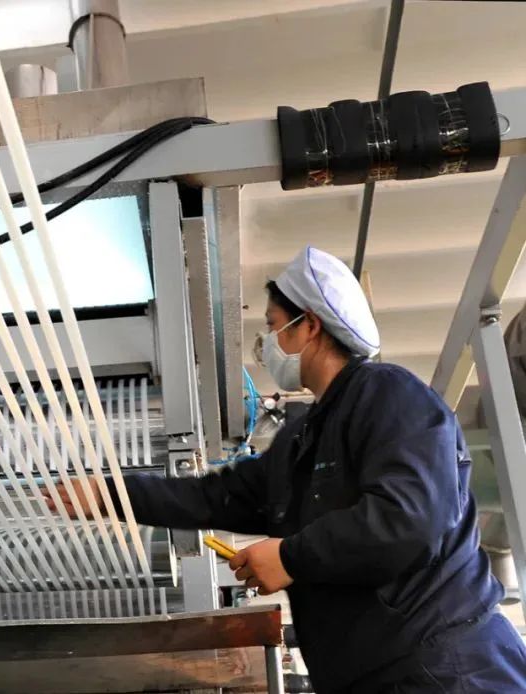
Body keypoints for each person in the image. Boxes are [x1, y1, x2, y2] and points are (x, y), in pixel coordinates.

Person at [49, 246, 526, 693]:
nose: (268, 342)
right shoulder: (302, 439)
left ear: (309, 326)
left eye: (275, 326)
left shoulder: (389, 395)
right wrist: (113, 494)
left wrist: (291, 557)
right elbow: (214, 497)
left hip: (447, 669)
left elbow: (408, 519)